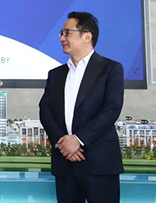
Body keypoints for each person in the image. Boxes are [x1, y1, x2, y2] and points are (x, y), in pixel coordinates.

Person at [39, 11, 124, 203]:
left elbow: (112, 108)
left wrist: (78, 139)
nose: (62, 38)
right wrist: (63, 143)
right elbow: (45, 110)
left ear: (87, 36)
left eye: (67, 32)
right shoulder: (56, 74)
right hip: (65, 163)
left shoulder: (110, 69)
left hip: (99, 163)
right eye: (61, 33)